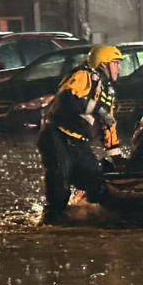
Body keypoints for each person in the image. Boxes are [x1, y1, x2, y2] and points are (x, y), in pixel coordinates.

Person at [37, 44, 123, 224]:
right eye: (116, 63)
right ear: (103, 63)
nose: (119, 68)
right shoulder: (84, 76)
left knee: (98, 185)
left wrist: (117, 157)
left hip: (79, 143)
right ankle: (51, 222)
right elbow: (67, 98)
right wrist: (97, 109)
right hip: (57, 136)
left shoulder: (108, 92)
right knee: (60, 184)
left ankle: (86, 216)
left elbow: (109, 125)